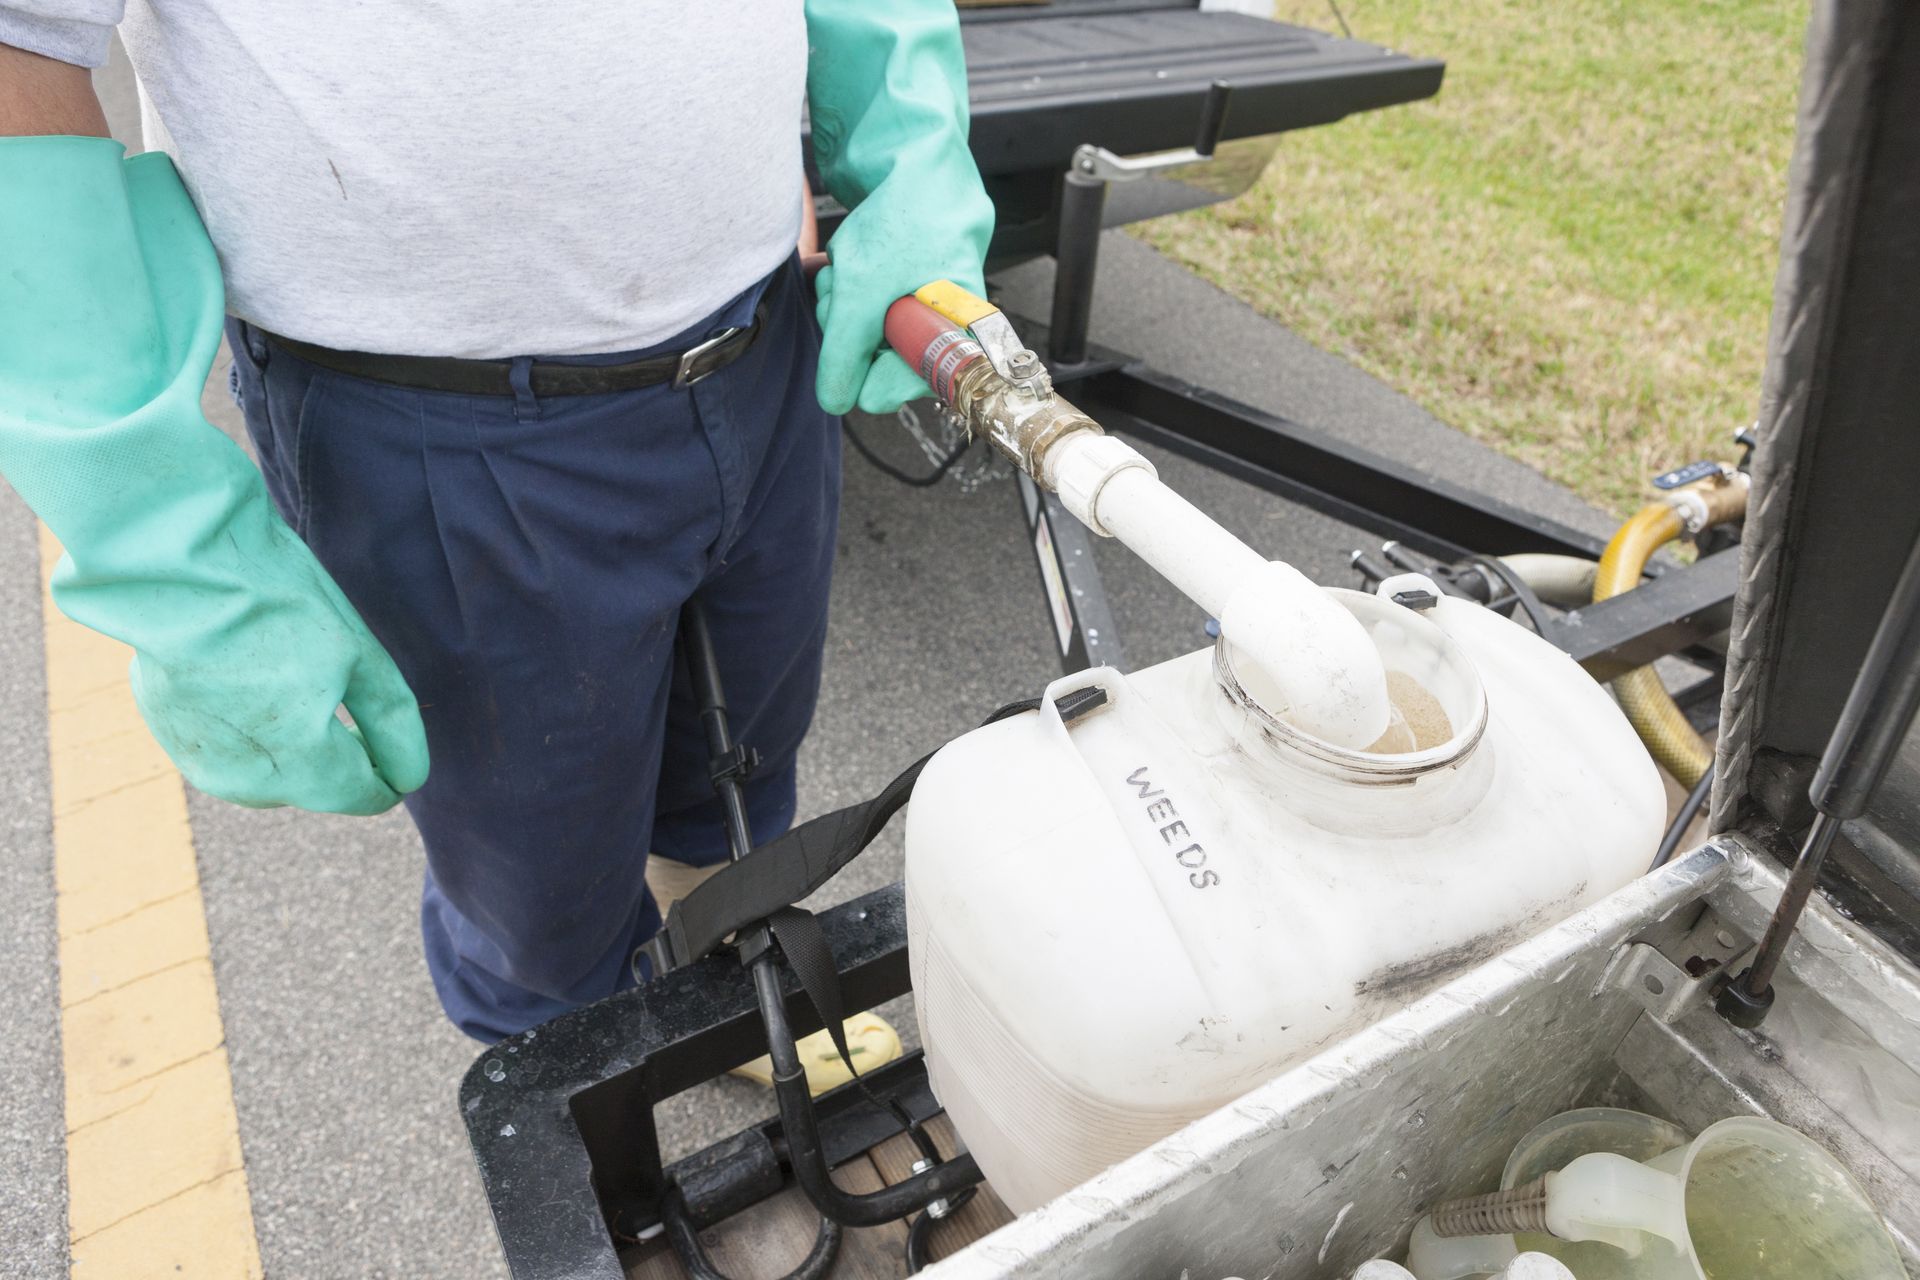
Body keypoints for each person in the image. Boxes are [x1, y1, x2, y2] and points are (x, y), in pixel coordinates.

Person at [0, 3, 994, 1042]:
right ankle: (599, 1124)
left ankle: (719, 1003)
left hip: (766, 341)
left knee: (736, 763)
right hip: (434, 425)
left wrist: (906, 141)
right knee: (541, 896)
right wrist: (155, 525)